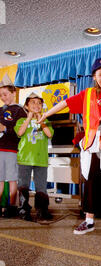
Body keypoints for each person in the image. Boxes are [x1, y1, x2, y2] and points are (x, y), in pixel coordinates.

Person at [38, 57, 101, 235]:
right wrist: (45, 115)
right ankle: (89, 220)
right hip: (93, 143)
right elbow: (64, 103)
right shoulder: (87, 94)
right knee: (91, 181)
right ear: (94, 76)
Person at [15, 92, 54, 222]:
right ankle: (24, 210)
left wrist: (41, 120)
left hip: (40, 160)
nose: (36, 105)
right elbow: (20, 132)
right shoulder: (21, 120)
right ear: (26, 106)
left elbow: (49, 134)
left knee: (41, 187)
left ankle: (42, 211)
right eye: (33, 102)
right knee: (23, 185)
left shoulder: (46, 120)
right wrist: (29, 118)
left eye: (39, 103)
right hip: (24, 159)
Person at [0, 74, 27, 217]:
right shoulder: (1, 110)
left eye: (5, 94)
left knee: (11, 178)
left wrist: (5, 129)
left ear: (13, 93)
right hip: (0, 148)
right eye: (0, 95)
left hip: (11, 149)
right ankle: (1, 206)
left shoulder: (19, 110)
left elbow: (20, 132)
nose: (3, 97)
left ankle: (11, 206)